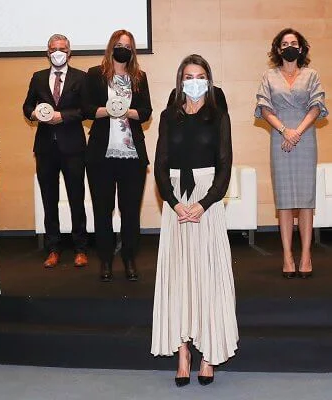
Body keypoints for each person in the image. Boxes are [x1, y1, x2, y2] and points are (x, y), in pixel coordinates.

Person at [152, 54, 238, 386]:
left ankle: (209, 354)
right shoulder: (167, 116)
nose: (194, 81)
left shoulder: (218, 115)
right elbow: (160, 166)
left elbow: (225, 164)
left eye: (200, 76)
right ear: (180, 81)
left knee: (207, 277)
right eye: (188, 76)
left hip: (208, 202)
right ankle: (183, 352)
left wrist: (203, 203)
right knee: (179, 279)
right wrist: (174, 203)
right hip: (175, 205)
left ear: (209, 79)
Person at [255, 28, 328, 279]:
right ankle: (287, 256)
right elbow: (264, 108)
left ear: (301, 48)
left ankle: (306, 255)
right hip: (280, 138)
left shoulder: (311, 75)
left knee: (306, 203)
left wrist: (297, 131)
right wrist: (286, 130)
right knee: (284, 203)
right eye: (284, 43)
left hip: (305, 139)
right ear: (278, 49)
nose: (289, 46)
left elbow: (317, 106)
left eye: (293, 43)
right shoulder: (268, 75)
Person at [82, 29, 151, 282]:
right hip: (101, 156)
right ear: (111, 46)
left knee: (130, 211)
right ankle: (106, 261)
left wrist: (128, 112)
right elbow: (85, 109)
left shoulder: (139, 77)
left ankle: (130, 260)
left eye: (128, 46)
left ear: (132, 51)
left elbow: (146, 112)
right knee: (103, 211)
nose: (124, 49)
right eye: (120, 44)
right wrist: (108, 110)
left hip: (132, 156)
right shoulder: (94, 75)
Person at [23, 34, 88, 269]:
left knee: (76, 198)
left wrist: (63, 116)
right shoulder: (38, 78)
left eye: (62, 48)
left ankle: (80, 248)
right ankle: (53, 249)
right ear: (47, 52)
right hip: (45, 147)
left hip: (73, 147)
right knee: (48, 200)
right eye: (53, 49)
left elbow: (86, 110)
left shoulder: (82, 77)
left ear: (70, 52)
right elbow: (27, 106)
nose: (57, 52)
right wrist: (34, 114)